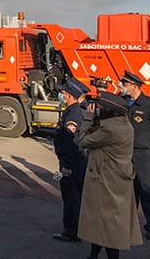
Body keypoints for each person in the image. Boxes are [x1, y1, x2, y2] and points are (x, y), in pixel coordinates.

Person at [77, 91, 143, 258]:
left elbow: (83, 141)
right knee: (102, 222)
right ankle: (93, 255)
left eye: (99, 108)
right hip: (117, 180)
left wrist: (87, 119)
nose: (96, 110)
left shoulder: (111, 129)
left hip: (107, 182)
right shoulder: (123, 124)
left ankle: (108, 255)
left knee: (109, 225)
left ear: (108, 111)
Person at [52, 76, 89, 243]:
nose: (61, 95)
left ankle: (71, 232)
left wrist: (66, 166)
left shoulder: (73, 114)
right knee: (75, 196)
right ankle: (78, 228)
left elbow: (71, 144)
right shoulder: (73, 111)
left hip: (72, 165)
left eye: (63, 93)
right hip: (75, 163)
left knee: (71, 197)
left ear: (69, 96)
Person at [119, 70, 150, 239]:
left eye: (125, 84)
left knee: (146, 191)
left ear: (134, 86)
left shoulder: (146, 105)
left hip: (143, 155)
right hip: (127, 154)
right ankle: (130, 226)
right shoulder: (125, 103)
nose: (122, 87)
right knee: (130, 193)